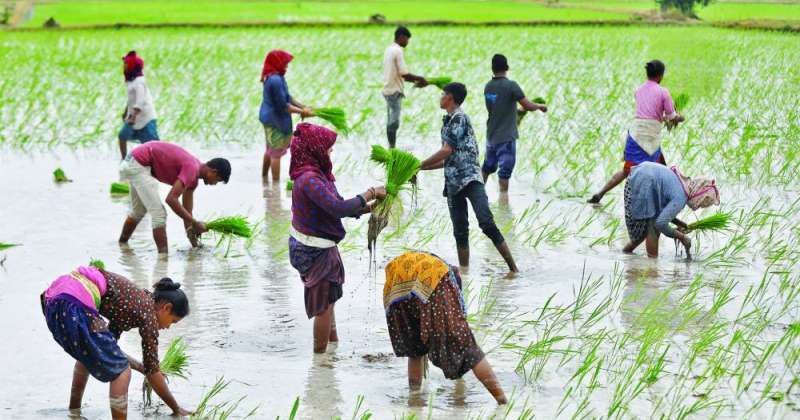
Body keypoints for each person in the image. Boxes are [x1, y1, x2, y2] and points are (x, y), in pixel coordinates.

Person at [41, 267, 192, 419]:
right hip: (75, 303)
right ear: (166, 308)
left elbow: (106, 349)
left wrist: (142, 368)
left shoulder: (134, 302)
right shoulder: (149, 314)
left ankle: (74, 411)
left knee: (88, 352)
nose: (168, 327)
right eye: (173, 321)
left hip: (54, 300)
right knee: (122, 372)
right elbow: (152, 371)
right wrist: (176, 408)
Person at [288, 122, 386, 353]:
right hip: (312, 250)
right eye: (328, 147)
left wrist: (371, 207)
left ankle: (332, 351)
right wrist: (371, 192)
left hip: (320, 245)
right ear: (315, 149)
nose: (331, 151)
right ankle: (320, 361)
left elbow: (339, 205)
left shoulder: (319, 174)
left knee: (329, 300)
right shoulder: (309, 179)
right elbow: (337, 209)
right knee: (323, 307)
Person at [383, 251, 507, 404]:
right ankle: (503, 402)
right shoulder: (447, 278)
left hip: (395, 281)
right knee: (468, 348)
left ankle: (414, 399)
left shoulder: (439, 266)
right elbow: (457, 323)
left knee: (415, 351)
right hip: (429, 276)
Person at [419, 82, 518, 272]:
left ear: (450, 98)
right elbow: (448, 159)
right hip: (453, 183)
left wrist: (421, 164)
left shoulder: (459, 118)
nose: (440, 97)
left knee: (486, 223)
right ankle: (464, 274)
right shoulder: (448, 122)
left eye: (442, 94)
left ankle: (514, 269)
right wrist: (420, 168)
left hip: (470, 179)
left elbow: (446, 150)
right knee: (460, 232)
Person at [588, 60, 685, 204]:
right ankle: (660, 204)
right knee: (659, 172)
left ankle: (600, 193)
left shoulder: (638, 90)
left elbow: (649, 114)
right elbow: (671, 117)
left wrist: (665, 118)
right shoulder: (663, 92)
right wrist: (680, 117)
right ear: (661, 75)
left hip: (635, 135)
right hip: (650, 137)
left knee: (627, 170)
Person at [118, 141, 231, 253]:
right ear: (213, 172)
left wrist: (194, 244)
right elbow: (171, 199)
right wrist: (195, 223)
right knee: (159, 215)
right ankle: (163, 258)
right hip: (138, 163)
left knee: (138, 211)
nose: (214, 184)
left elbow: (187, 213)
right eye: (217, 180)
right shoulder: (192, 169)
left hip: (132, 161)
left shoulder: (193, 181)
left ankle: (122, 244)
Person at [623, 162, 719, 259]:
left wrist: (681, 224)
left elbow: (662, 214)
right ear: (699, 196)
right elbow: (660, 223)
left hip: (641, 174)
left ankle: (626, 252)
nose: (699, 206)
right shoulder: (681, 197)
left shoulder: (682, 186)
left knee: (645, 230)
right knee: (653, 229)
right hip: (644, 180)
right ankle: (652, 264)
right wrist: (682, 237)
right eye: (701, 204)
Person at [482, 54, 547, 193]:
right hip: (506, 137)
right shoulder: (511, 86)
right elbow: (528, 105)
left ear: (492, 68)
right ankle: (503, 200)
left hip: (491, 135)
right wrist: (540, 106)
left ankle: (477, 194)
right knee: (505, 172)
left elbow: (498, 107)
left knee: (487, 167)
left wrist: (521, 110)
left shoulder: (488, 87)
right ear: (507, 67)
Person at [259, 49, 313, 180]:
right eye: (285, 64)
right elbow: (283, 106)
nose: (287, 67)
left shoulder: (275, 77)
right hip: (274, 121)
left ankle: (264, 179)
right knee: (276, 154)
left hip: (269, 118)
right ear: (277, 63)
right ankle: (275, 185)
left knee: (269, 149)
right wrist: (302, 112)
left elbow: (288, 97)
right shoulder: (275, 80)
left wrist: (303, 107)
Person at [382, 26, 429, 148]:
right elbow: (404, 73)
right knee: (394, 122)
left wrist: (416, 81)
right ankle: (392, 148)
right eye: (407, 39)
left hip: (388, 89)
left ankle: (391, 147)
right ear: (401, 37)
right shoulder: (397, 51)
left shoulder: (389, 49)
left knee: (391, 120)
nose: (407, 42)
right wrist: (420, 79)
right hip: (394, 90)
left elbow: (402, 75)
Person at [118, 51, 159, 160]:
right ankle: (124, 160)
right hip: (133, 117)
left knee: (153, 146)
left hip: (146, 118)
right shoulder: (131, 82)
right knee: (122, 135)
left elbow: (140, 100)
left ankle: (159, 163)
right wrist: (126, 112)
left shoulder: (139, 82)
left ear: (132, 66)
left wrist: (133, 116)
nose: (123, 66)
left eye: (126, 63)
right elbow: (131, 100)